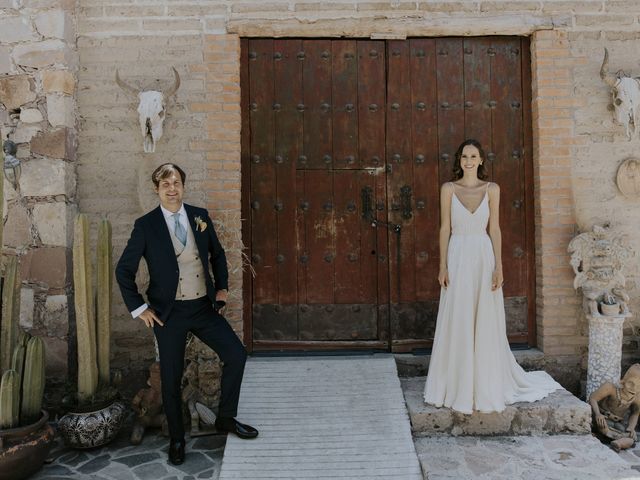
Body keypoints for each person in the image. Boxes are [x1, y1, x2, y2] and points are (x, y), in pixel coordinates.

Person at [116, 163, 258, 466]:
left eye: (176, 182)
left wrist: (222, 289)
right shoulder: (146, 225)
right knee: (170, 378)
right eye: (165, 184)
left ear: (183, 186)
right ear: (157, 189)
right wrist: (140, 309)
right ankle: (177, 439)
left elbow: (217, 255)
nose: (171, 188)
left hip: (203, 308)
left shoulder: (199, 216)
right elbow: (124, 270)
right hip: (169, 314)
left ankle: (226, 419)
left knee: (236, 355)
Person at [423, 139, 561, 414]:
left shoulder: (492, 189)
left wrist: (499, 266)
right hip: (458, 253)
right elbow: (444, 229)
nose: (469, 161)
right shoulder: (448, 189)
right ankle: (458, 384)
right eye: (464, 156)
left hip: (483, 254)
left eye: (473, 156)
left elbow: (495, 229)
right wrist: (442, 266)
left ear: (482, 160)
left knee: (484, 316)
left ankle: (485, 382)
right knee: (460, 315)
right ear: (459, 160)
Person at [589, 364, 640, 451]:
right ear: (623, 381)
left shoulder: (637, 397)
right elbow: (593, 398)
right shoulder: (610, 388)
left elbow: (635, 412)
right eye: (631, 383)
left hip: (617, 423)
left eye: (639, 386)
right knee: (603, 426)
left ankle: (618, 443)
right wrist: (598, 414)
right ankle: (607, 435)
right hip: (603, 418)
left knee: (631, 437)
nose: (634, 388)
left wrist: (631, 427)